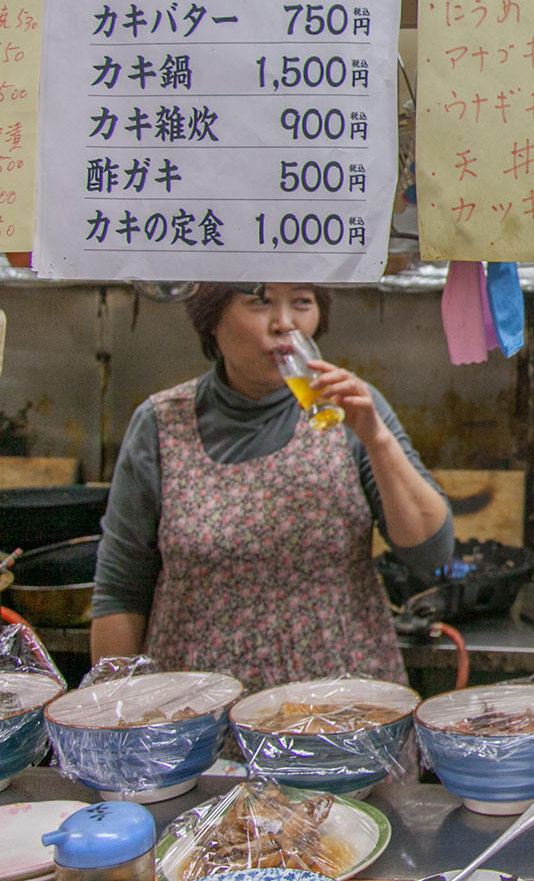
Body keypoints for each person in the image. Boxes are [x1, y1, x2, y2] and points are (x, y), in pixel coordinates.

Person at [91, 282, 454, 688]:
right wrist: (117, 718)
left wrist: (378, 440)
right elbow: (121, 592)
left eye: (302, 302)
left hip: (338, 710)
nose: (285, 324)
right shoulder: (160, 424)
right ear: (211, 318)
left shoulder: (351, 409)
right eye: (260, 302)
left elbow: (430, 552)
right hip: (197, 712)